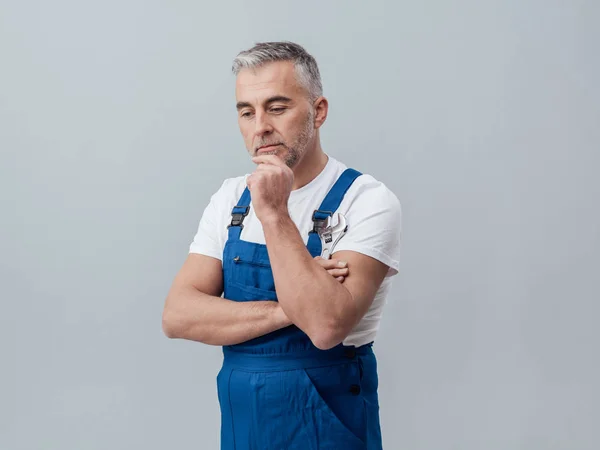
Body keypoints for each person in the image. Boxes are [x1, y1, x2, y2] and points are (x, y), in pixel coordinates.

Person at [162, 41, 402, 450]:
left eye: (277, 108)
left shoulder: (366, 200)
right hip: (243, 424)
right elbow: (178, 315)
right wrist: (289, 309)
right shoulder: (230, 199)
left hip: (329, 424)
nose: (260, 128)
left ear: (318, 111)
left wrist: (274, 211)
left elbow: (327, 327)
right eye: (246, 112)